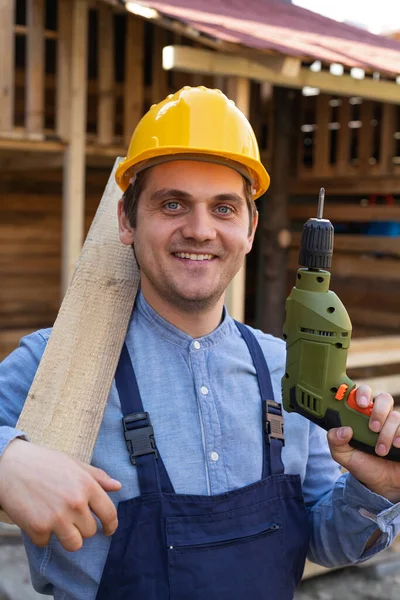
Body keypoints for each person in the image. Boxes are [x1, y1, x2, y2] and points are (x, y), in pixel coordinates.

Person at [1, 86, 400, 600]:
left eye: (224, 209)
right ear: (127, 220)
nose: (199, 229)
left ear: (250, 228)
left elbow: (323, 538)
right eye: (173, 204)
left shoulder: (288, 370)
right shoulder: (56, 361)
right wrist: (7, 459)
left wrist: (377, 489)